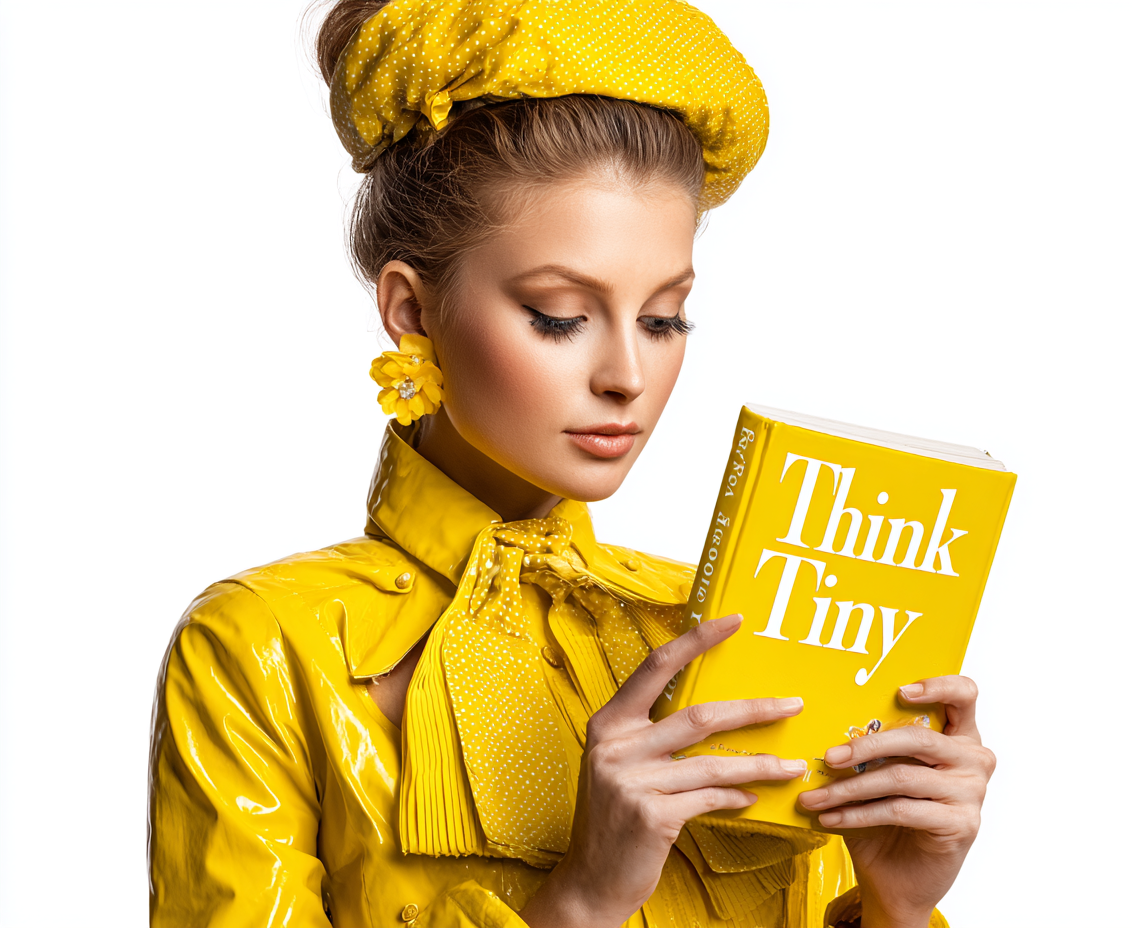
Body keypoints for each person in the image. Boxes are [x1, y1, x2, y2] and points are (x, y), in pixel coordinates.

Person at [147, 1, 996, 925]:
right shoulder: (261, 647)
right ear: (411, 311)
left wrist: (897, 904)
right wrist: (582, 900)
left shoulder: (719, 627)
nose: (628, 377)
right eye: (559, 315)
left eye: (664, 318)